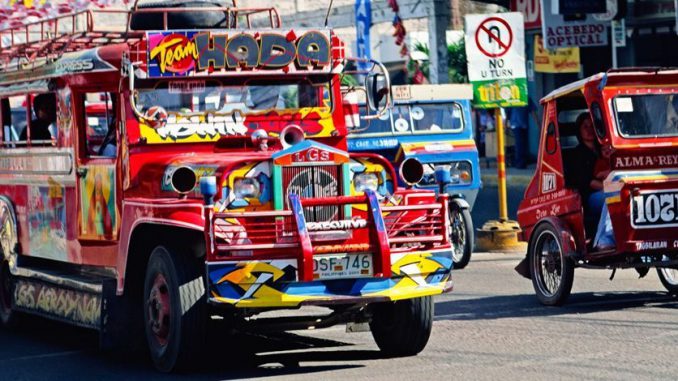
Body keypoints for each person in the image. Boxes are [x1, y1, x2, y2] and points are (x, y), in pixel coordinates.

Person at [506, 97, 538, 169]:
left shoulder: (526, 97)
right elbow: (508, 112)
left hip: (523, 124)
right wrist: (506, 125)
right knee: (520, 145)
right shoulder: (512, 97)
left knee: (523, 145)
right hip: (516, 125)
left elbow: (533, 111)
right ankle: (520, 164)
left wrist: (538, 124)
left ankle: (522, 163)